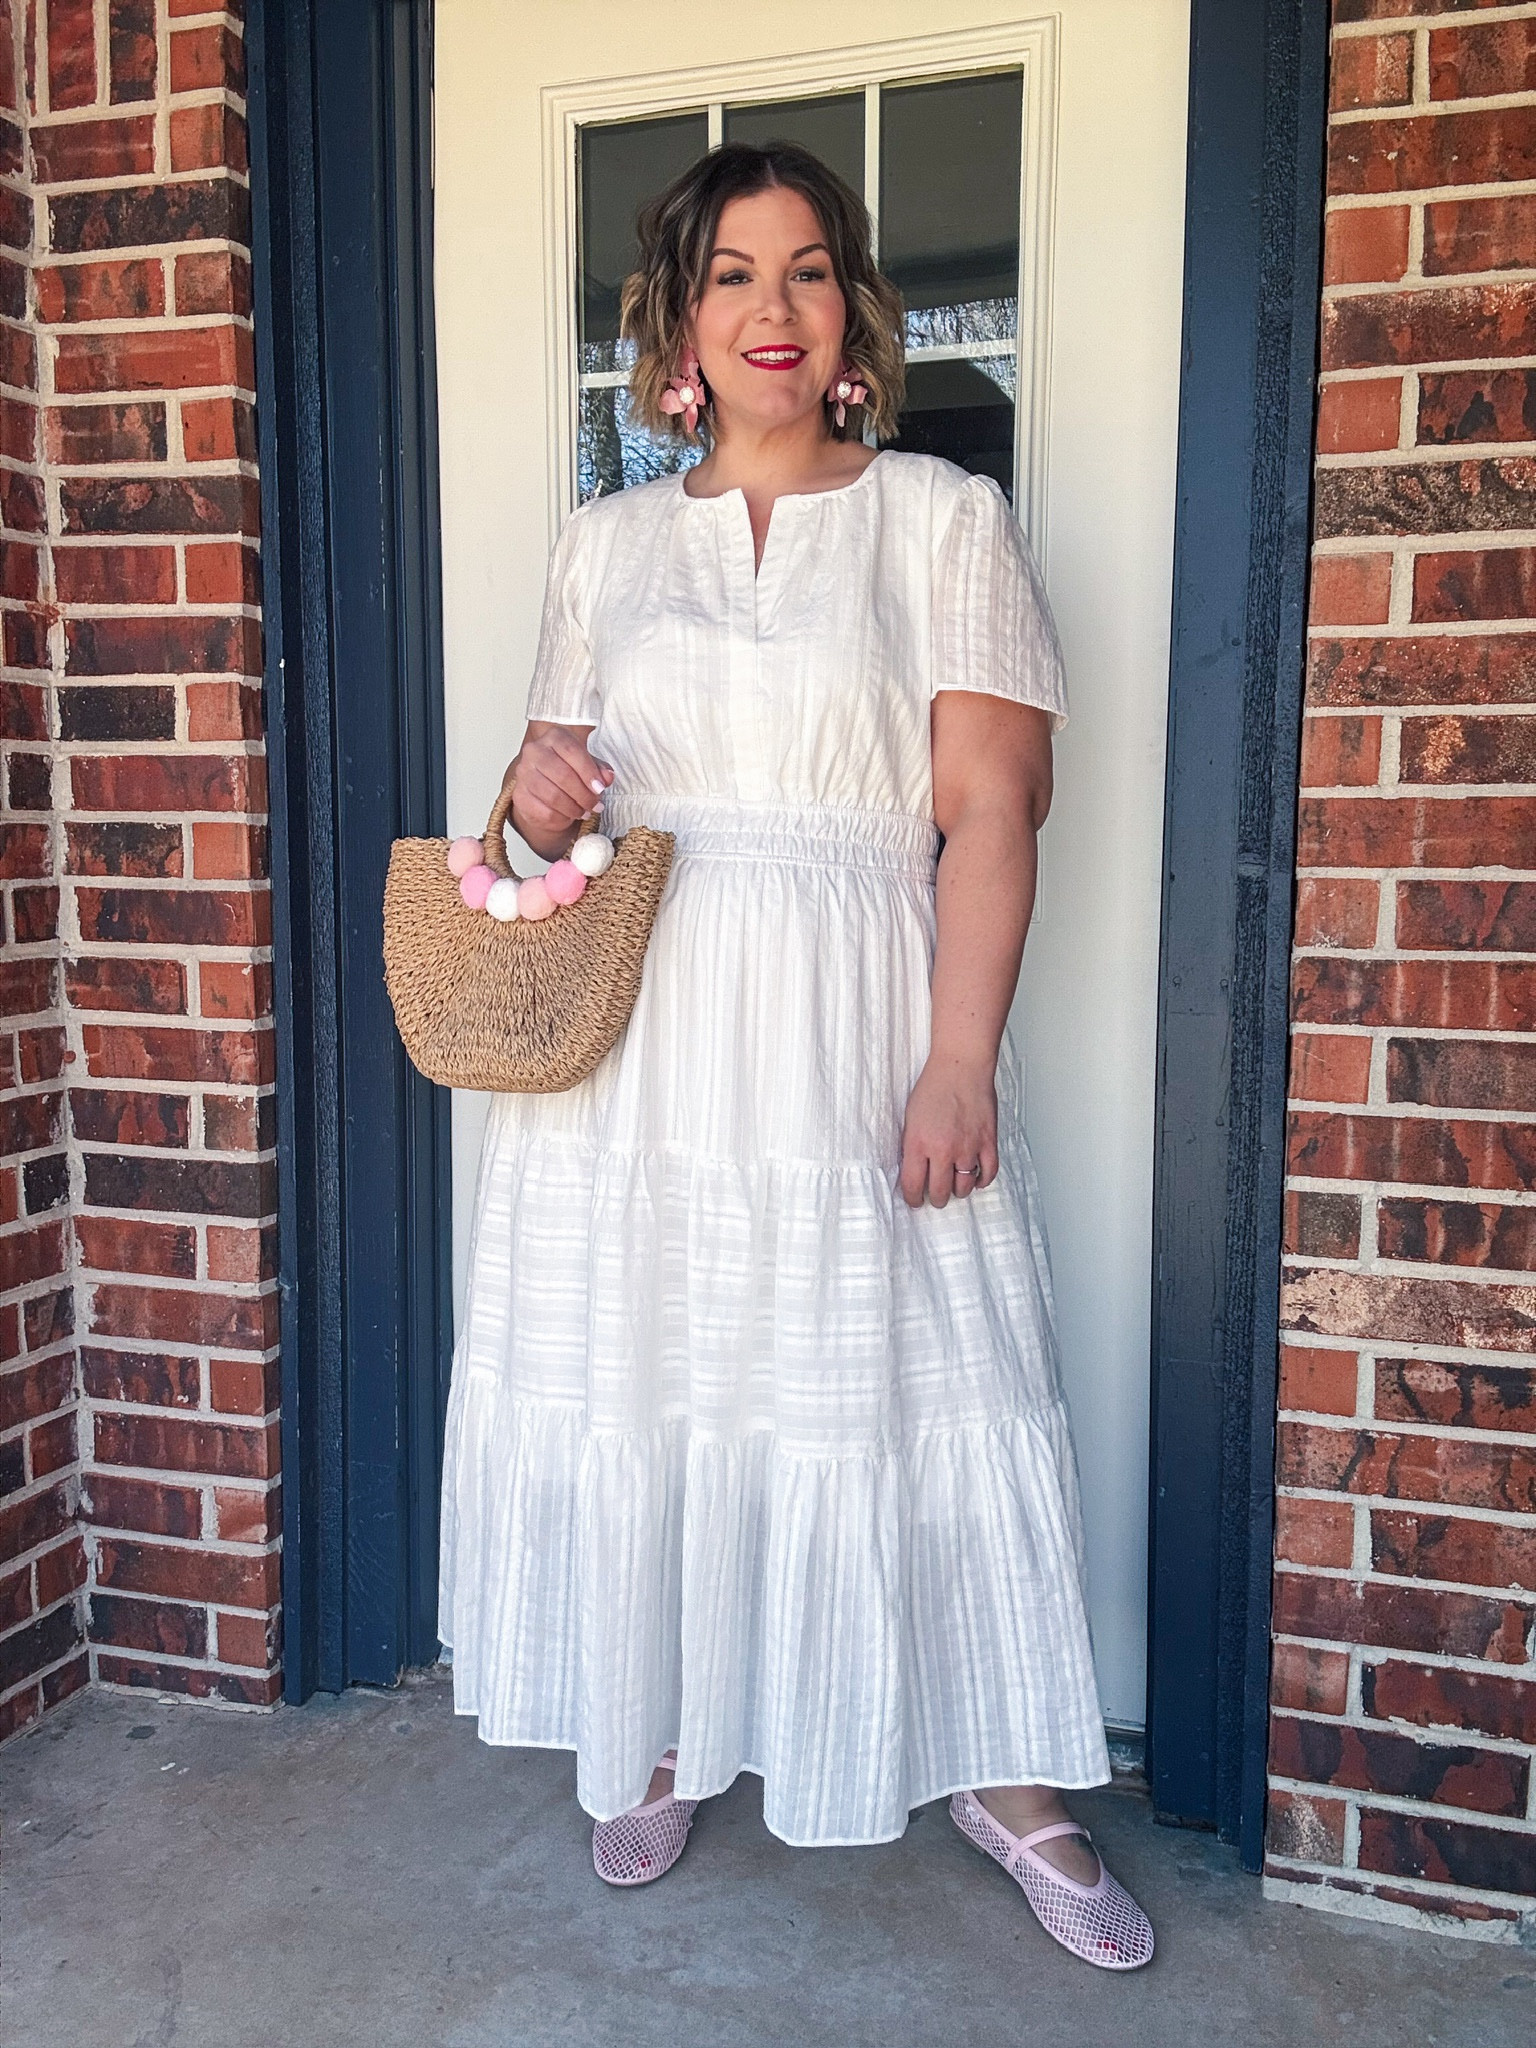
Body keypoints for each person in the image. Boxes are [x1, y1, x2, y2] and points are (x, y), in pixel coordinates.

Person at [437, 140, 1153, 1972]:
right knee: (669, 1358)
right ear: (678, 322)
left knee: (920, 1368)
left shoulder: (937, 519)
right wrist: (525, 796)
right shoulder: (608, 544)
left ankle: (998, 1765)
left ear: (850, 317)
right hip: (647, 1047)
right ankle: (665, 1706)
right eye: (735, 274)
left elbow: (995, 810)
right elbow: (537, 833)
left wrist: (961, 1058)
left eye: (809, 270)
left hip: (852, 1015)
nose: (774, 306)